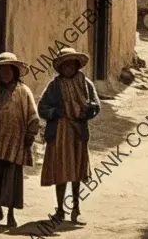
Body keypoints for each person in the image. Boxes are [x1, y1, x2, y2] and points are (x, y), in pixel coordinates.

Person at [38, 47, 101, 225]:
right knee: (60, 171)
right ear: (60, 67)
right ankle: (60, 209)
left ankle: (76, 209)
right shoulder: (54, 85)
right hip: (59, 132)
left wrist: (88, 110)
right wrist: (55, 111)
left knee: (77, 172)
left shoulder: (85, 84)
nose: (68, 67)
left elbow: (96, 104)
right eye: (65, 64)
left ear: (76, 65)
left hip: (78, 132)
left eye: (71, 64)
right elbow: (42, 107)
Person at [0, 51, 40, 229]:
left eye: (8, 70)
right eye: (2, 71)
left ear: (15, 71)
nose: (5, 74)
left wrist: (30, 134)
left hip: (16, 142)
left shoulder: (23, 91)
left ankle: (11, 213)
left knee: (12, 178)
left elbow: (32, 115)